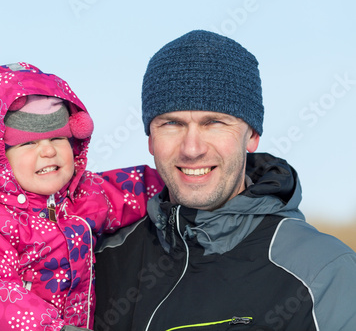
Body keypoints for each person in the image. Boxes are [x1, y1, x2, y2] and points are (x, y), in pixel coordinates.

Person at [93, 30, 356, 331]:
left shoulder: (324, 272)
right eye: (172, 124)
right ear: (150, 139)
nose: (192, 148)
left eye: (214, 123)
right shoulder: (100, 262)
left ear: (252, 135)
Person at [0, 62, 163, 331]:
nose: (47, 152)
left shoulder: (86, 195)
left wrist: (182, 181)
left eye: (57, 139)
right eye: (28, 143)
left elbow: (138, 187)